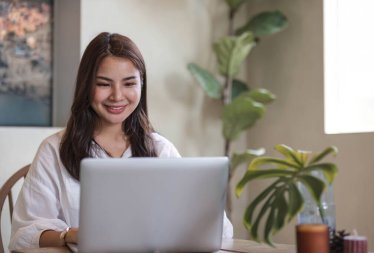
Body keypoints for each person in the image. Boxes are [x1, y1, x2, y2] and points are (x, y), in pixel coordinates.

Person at [9, 32, 233, 251]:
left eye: (128, 83)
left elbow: (221, 232)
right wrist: (69, 235)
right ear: (86, 86)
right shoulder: (54, 150)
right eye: (104, 84)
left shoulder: (160, 149)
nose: (117, 96)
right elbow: (24, 234)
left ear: (141, 84)